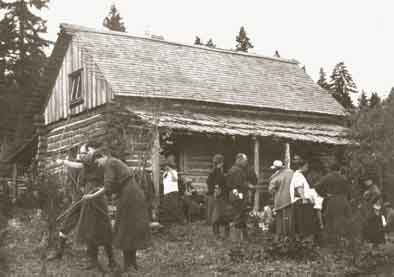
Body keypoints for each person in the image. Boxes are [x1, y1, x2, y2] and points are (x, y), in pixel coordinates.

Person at [81, 142, 151, 272]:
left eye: (98, 162)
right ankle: (132, 262)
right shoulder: (115, 162)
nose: (98, 165)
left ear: (101, 157)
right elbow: (112, 186)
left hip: (129, 195)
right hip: (134, 193)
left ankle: (128, 265)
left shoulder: (109, 164)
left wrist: (91, 196)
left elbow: (107, 187)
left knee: (125, 228)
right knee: (130, 227)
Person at [53, 145, 116, 271]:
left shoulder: (94, 161)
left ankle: (109, 260)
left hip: (94, 199)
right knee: (68, 222)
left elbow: (79, 166)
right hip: (82, 198)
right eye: (80, 153)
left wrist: (63, 162)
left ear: (91, 152)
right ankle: (59, 252)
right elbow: (80, 179)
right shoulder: (85, 163)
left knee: (99, 228)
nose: (81, 156)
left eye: (84, 153)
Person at [316, 163, 352, 243]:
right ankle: (341, 240)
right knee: (341, 220)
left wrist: (325, 195)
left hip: (332, 200)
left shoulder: (327, 177)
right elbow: (349, 191)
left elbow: (317, 187)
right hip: (343, 200)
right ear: (339, 170)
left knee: (329, 220)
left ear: (331, 169)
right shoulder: (344, 178)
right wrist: (347, 200)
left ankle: (330, 241)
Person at [290, 156, 319, 239]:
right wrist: (304, 199)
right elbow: (299, 188)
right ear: (301, 166)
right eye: (306, 166)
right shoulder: (298, 175)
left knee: (303, 222)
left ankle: (303, 240)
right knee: (303, 222)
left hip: (302, 200)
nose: (307, 168)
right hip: (301, 201)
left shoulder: (300, 175)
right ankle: (304, 240)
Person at [226, 153, 251, 241]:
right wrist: (248, 186)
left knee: (239, 214)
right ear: (239, 160)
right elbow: (239, 184)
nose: (246, 163)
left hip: (233, 194)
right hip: (238, 195)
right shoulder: (237, 171)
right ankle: (235, 237)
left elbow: (230, 184)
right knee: (238, 214)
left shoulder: (232, 169)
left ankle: (242, 236)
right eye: (245, 161)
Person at [268, 160, 295, 238]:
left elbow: (271, 190)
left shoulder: (275, 177)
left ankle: (280, 236)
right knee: (289, 218)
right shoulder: (291, 172)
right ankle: (289, 236)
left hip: (279, 200)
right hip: (291, 199)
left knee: (279, 219)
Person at [207, 154, 230, 237]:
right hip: (217, 196)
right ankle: (217, 234)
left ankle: (224, 232)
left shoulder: (219, 171)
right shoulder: (215, 172)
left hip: (219, 195)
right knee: (217, 215)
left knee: (221, 214)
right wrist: (216, 191)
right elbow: (214, 183)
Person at [159, 154, 185, 224]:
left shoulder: (173, 172)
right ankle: (171, 220)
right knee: (166, 206)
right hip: (166, 192)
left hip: (173, 191)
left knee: (176, 206)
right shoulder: (164, 173)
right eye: (164, 167)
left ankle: (182, 220)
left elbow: (175, 179)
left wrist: (170, 170)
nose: (165, 167)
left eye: (166, 166)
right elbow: (162, 182)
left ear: (169, 167)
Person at [206, 154, 225, 225]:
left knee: (211, 208)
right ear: (220, 162)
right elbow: (217, 182)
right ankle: (212, 222)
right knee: (215, 208)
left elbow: (208, 181)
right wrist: (216, 191)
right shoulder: (217, 171)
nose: (223, 163)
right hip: (214, 191)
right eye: (222, 162)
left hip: (211, 191)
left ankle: (210, 221)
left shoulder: (214, 170)